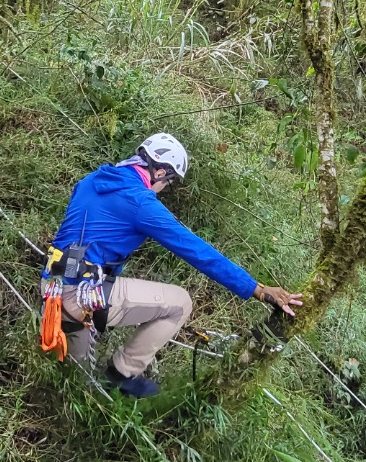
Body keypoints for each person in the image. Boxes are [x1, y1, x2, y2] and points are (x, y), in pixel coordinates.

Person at [45, 133, 303, 398]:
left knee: (75, 388)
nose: (165, 187)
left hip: (52, 285)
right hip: (80, 297)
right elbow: (197, 251)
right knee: (180, 303)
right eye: (168, 181)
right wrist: (256, 289)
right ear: (159, 171)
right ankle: (121, 373)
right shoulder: (141, 203)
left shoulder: (91, 180)